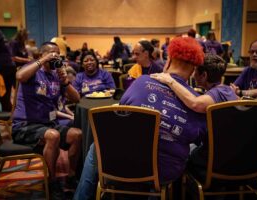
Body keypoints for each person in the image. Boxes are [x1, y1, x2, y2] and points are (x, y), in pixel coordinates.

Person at [73, 36, 207, 200]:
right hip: (164, 172)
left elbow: (121, 116)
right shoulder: (197, 102)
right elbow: (199, 137)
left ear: (169, 59)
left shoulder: (141, 82)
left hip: (122, 165)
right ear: (193, 69)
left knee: (97, 146)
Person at [11, 42, 82, 200]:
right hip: (24, 126)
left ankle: (70, 177)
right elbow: (19, 76)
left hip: (48, 124)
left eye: (58, 54)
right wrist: (42, 61)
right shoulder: (33, 69)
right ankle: (51, 181)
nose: (55, 57)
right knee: (53, 135)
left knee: (77, 134)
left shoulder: (57, 75)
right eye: (51, 53)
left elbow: (76, 99)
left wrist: (65, 81)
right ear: (41, 55)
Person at [151, 53, 238, 113]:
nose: (192, 74)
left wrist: (170, 80)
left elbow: (195, 104)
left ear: (204, 75)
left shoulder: (218, 93)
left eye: (195, 70)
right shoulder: (226, 89)